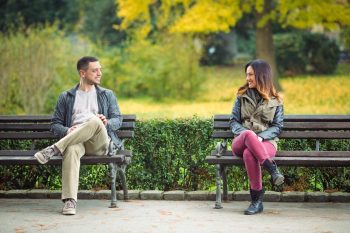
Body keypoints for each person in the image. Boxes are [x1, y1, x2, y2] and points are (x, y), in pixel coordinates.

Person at [34, 56, 122, 215]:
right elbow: (55, 124)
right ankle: (70, 201)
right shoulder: (66, 97)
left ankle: (54, 149)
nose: (99, 73)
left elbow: (118, 120)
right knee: (71, 148)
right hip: (77, 141)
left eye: (100, 69)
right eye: (95, 70)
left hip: (99, 143)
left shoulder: (106, 95)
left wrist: (107, 122)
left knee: (95, 120)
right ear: (82, 73)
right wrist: (67, 131)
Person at [229, 59, 284, 215]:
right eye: (247, 75)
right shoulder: (241, 96)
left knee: (249, 153)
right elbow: (233, 121)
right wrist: (249, 135)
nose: (247, 78)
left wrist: (260, 138)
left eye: (251, 74)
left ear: (261, 76)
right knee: (248, 134)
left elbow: (277, 126)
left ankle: (256, 202)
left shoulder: (276, 100)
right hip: (241, 140)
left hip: (266, 143)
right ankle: (272, 169)